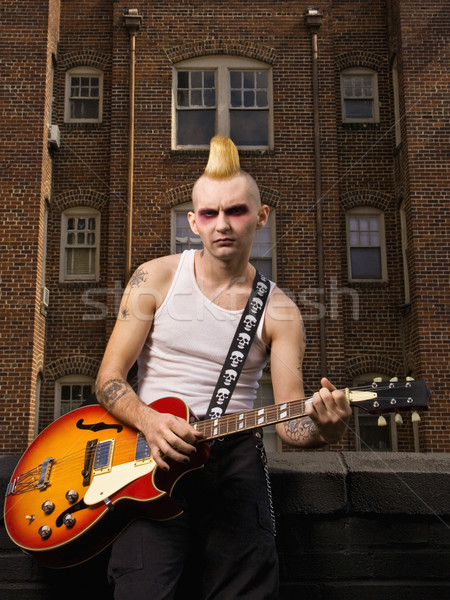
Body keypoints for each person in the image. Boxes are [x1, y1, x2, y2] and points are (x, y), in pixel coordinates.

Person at [95, 135, 351, 599]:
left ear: (260, 216)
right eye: (209, 214)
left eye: (235, 211)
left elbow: (292, 428)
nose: (222, 225)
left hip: (234, 466)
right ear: (193, 221)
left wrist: (325, 431)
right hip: (149, 459)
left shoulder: (281, 312)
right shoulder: (154, 277)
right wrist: (151, 422)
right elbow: (108, 380)